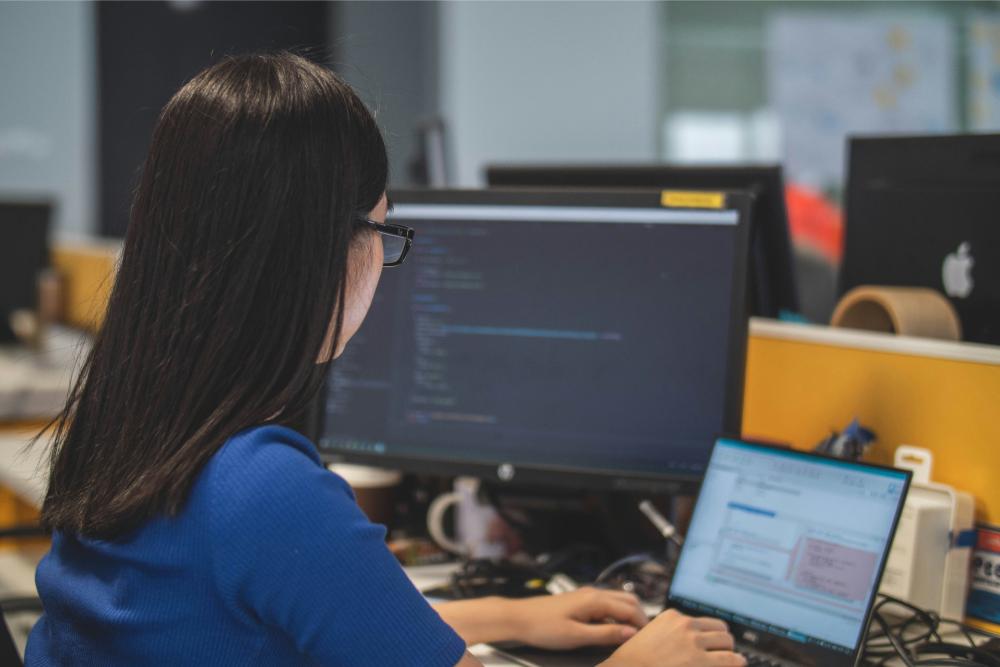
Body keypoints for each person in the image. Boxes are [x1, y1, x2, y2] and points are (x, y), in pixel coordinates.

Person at [24, 53, 746, 667]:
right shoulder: (266, 490)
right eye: (383, 226)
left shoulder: (127, 425)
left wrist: (510, 616)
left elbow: (336, 622)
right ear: (320, 248)